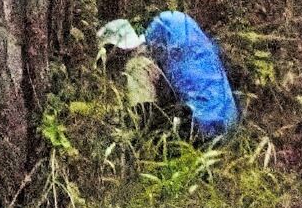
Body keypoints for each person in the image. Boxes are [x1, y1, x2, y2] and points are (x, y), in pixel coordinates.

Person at [99, 8, 239, 142]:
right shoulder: (175, 37)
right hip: (230, 122)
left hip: (198, 129)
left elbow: (142, 114)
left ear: (116, 50)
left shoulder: (138, 65)